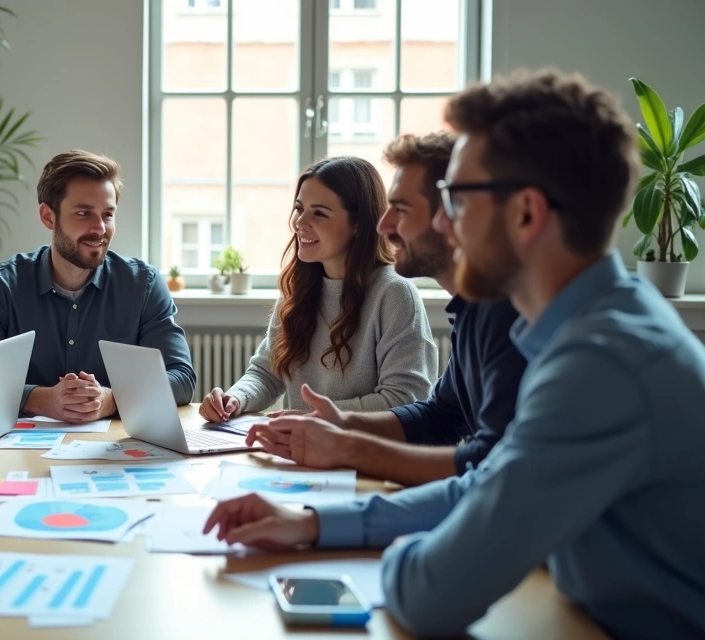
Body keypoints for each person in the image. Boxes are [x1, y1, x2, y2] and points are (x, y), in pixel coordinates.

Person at [203, 70, 705, 639]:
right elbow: (486, 484)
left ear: (526, 213)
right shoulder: (593, 327)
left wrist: (382, 550)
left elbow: (429, 596)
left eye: (456, 200)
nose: (441, 222)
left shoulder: (601, 364)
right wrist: (313, 523)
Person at [244, 133, 527, 487]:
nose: (383, 224)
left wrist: (344, 447)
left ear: (454, 216)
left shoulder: (509, 318)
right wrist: (338, 425)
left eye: (402, 209)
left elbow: (491, 470)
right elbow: (441, 418)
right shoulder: (474, 311)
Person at [0, 149, 196, 422]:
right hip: (19, 453)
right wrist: (38, 399)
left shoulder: (143, 285)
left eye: (108, 215)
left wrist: (112, 399)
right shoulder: (1, 286)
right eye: (84, 213)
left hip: (111, 452)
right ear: (48, 217)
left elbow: (181, 378)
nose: (100, 228)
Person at [198, 157, 438, 424]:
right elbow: (267, 374)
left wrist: (311, 418)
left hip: (370, 456)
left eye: (319, 213)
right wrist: (235, 399)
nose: (300, 222)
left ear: (359, 224)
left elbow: (405, 399)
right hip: (309, 450)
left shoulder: (394, 293)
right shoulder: (297, 289)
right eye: (299, 209)